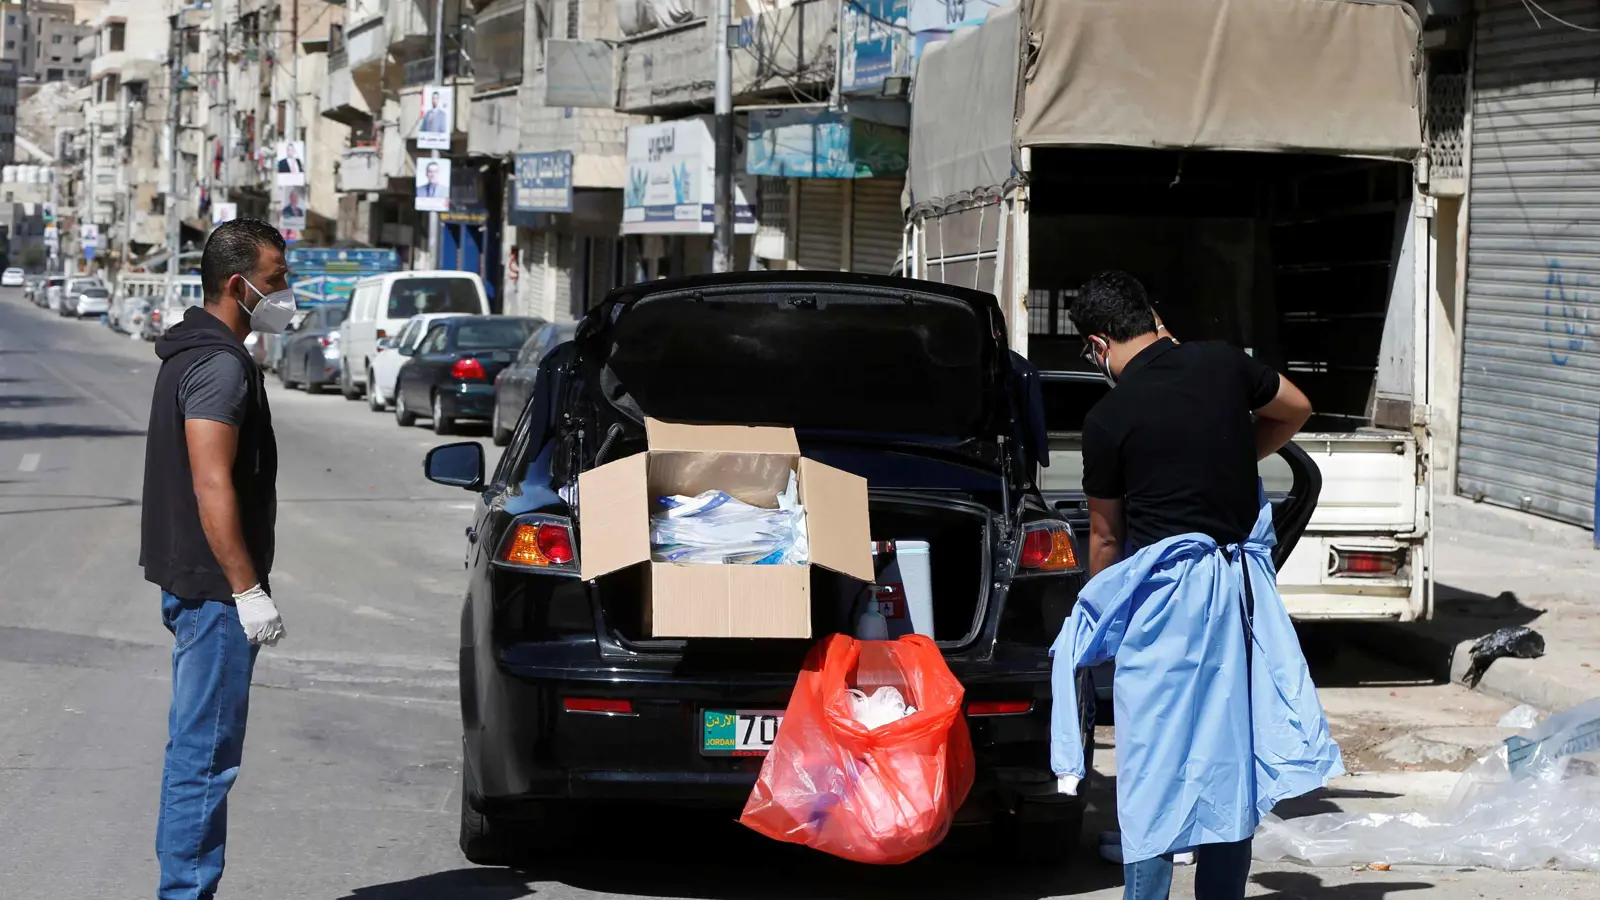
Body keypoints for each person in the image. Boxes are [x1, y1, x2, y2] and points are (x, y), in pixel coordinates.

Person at [1048, 271, 1342, 900]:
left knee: (1153, 767)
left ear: (1099, 346)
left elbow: (1104, 538)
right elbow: (1295, 407)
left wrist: (1103, 624)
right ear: (1153, 317)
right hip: (1236, 599)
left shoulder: (1108, 418)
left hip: (1163, 606)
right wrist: (1238, 452)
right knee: (1227, 758)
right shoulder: (1224, 364)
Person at [140, 218, 296, 900]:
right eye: (276, 280)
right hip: (214, 594)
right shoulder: (220, 365)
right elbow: (212, 481)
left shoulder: (194, 352)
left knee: (199, 752)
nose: (286, 292)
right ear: (239, 286)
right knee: (204, 759)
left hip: (197, 585)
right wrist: (247, 590)